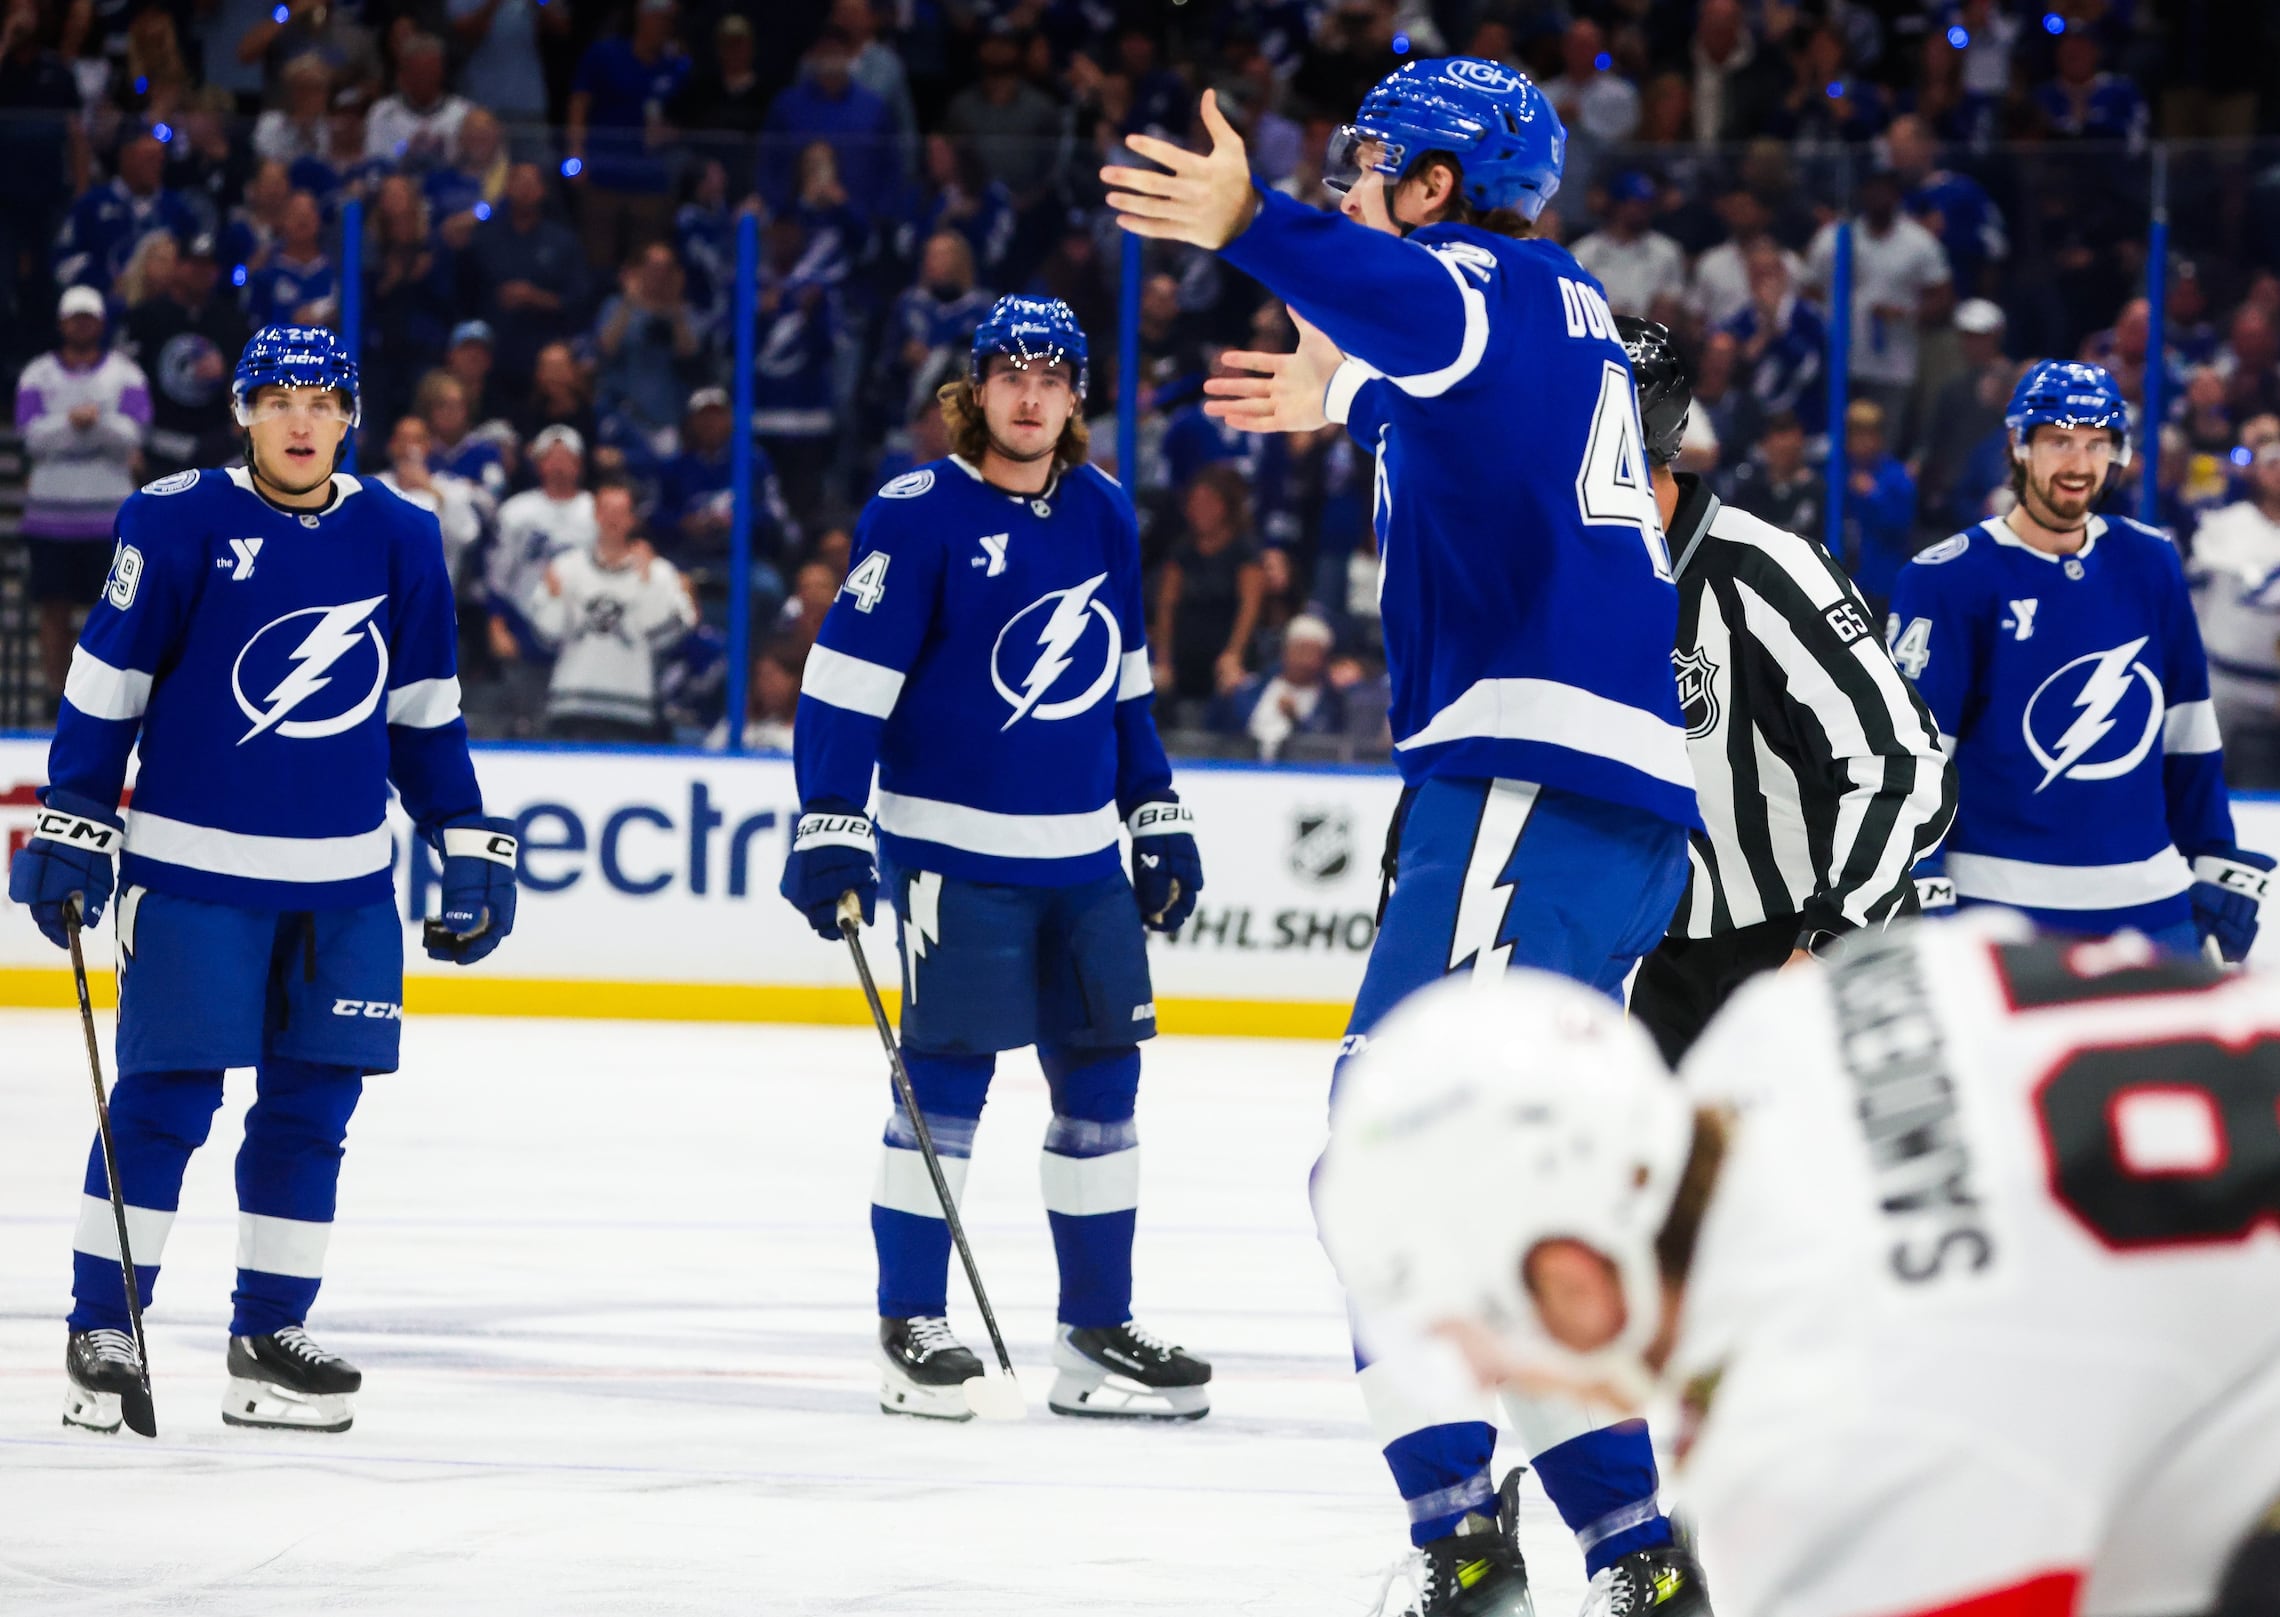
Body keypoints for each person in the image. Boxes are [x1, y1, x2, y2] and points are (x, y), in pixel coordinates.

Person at [1118, 62, 1703, 1617]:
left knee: (1381, 1159)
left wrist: (1254, 220)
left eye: (1378, 162)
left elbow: (1399, 294)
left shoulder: (1458, 281)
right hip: (1604, 810)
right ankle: (1637, 1554)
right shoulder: (1553, 304)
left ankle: (1466, 1532)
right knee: (1507, 1192)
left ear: (1441, 187)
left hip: (1525, 780)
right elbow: (1455, 397)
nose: (1359, 181)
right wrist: (1341, 395)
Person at [1314, 924, 2280, 1617]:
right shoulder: (1788, 1016)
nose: (1502, 1379)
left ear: (1573, 1279)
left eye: (1496, 1352)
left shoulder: (1830, 1434)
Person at [5, 325, 519, 1435]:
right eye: (277, 399)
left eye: (321, 402)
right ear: (242, 411)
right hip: (194, 876)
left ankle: (268, 1337)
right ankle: (105, 1325)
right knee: (167, 1100)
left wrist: (462, 836)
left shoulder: (400, 534)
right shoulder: (175, 516)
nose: (299, 420)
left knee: (312, 1111)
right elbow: (108, 679)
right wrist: (79, 811)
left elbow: (423, 710)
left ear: (351, 418)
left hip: (343, 888)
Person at [779, 295, 1212, 1425]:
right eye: (1011, 375)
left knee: (1105, 1086)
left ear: (1077, 397)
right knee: (946, 1089)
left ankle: (1095, 1332)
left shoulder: (1105, 512)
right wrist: (831, 816)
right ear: (977, 390)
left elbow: (1121, 676)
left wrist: (1154, 803)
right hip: (952, 861)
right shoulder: (916, 511)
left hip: (1082, 867)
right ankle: (911, 1323)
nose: (1030, 396)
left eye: (1052, 377)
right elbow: (843, 685)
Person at [1615, 317, 1951, 1065]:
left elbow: (1903, 764)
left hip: (1810, 948)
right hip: (1673, 963)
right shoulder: (1585, 584)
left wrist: (1829, 943)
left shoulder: (1764, 570)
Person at [1888, 360, 2273, 959]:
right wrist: (1918, 877)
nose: (2079, 464)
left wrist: (2213, 850)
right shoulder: (1948, 577)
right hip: (2000, 913)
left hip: (2151, 907)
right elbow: (1915, 754)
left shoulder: (2151, 560)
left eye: (2097, 444)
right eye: (2060, 441)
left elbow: (2187, 727)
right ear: (2019, 445)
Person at [17, 285, 153, 706]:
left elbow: (135, 434)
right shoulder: (37, 373)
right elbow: (31, 437)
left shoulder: (126, 374)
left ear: (100, 322)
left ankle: (103, 696)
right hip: (49, 515)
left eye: (87, 317)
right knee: (52, 608)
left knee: (111, 610)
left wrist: (87, 427)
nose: (81, 324)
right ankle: (55, 694)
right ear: (62, 323)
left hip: (108, 515)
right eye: (74, 317)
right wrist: (81, 425)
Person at [525, 479, 695, 741]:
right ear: (595, 514)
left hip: (633, 710)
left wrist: (647, 582)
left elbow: (663, 637)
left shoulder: (660, 573)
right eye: (606, 511)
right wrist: (555, 598)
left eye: (620, 512)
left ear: (632, 519)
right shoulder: (566, 568)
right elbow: (547, 637)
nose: (612, 520)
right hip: (571, 706)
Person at [122, 232, 251, 481]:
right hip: (158, 445)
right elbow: (127, 381)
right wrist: (133, 443)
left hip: (217, 447)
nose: (200, 272)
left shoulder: (233, 321)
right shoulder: (145, 317)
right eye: (193, 264)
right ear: (178, 267)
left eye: (207, 266)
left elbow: (246, 385)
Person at [1208, 611, 1347, 760]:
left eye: (1312, 653)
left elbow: (1327, 748)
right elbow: (1216, 729)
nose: (1304, 661)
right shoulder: (1251, 688)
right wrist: (1224, 696)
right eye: (1300, 650)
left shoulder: (1331, 704)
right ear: (1285, 651)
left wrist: (1295, 721)